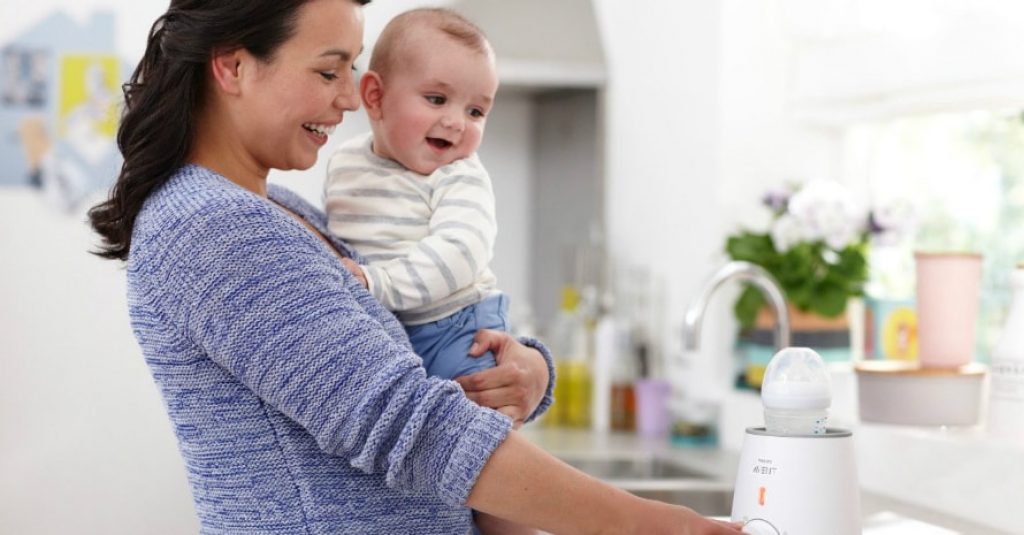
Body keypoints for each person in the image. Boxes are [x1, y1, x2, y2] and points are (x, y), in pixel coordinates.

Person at [86, 1, 743, 533]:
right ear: (233, 67)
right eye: (328, 70)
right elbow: (409, 424)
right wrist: (651, 524)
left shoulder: (279, 208)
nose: (350, 98)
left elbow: (400, 347)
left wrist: (529, 369)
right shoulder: (214, 225)